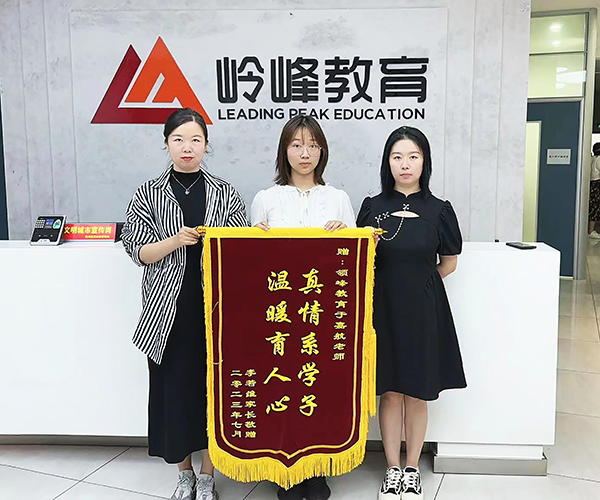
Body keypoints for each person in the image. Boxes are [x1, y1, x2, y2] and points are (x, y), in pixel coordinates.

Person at [122, 108, 249, 500]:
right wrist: (175, 240)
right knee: (174, 394)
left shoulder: (225, 192)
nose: (187, 147)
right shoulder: (148, 193)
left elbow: (241, 249)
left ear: (206, 145)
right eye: (178, 139)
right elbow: (137, 250)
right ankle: (184, 474)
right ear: (166, 144)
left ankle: (208, 475)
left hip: (215, 311)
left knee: (214, 392)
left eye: (195, 139)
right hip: (167, 312)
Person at [357, 126, 466, 500]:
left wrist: (421, 283)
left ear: (425, 162)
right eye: (397, 157)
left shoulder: (439, 209)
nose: (405, 164)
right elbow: (358, 261)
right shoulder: (372, 207)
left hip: (423, 309)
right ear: (387, 163)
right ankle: (391, 469)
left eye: (413, 157)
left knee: (417, 393)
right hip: (382, 308)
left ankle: (412, 468)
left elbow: (449, 262)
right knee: (389, 391)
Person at [251, 115, 355, 500]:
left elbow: (356, 262)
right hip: (280, 318)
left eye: (312, 145)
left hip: (321, 317)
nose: (305, 153)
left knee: (319, 389)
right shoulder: (266, 199)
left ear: (322, 151)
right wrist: (254, 239)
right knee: (282, 390)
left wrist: (350, 237)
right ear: (285, 151)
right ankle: (285, 470)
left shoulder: (338, 198)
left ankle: (316, 470)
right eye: (296, 145)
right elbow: (251, 268)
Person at [589, 142, 600, 239]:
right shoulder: (599, 159)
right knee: (595, 207)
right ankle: (591, 231)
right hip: (597, 184)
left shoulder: (591, 158)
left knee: (591, 206)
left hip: (590, 184)